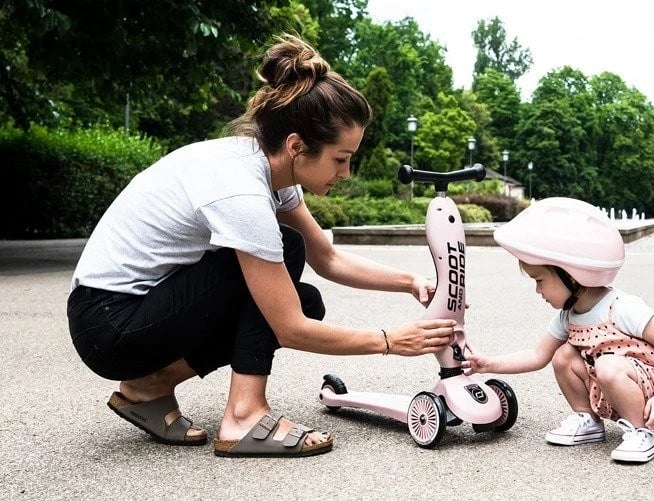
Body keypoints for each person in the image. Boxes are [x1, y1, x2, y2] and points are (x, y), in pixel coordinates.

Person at [66, 34, 455, 458]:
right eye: (340, 158)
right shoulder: (241, 192)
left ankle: (149, 387)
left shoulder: (268, 169)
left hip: (131, 313)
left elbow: (326, 257)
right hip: (109, 325)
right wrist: (389, 341)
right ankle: (244, 415)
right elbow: (288, 328)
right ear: (297, 146)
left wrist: (411, 282)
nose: (345, 172)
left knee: (303, 297)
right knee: (285, 254)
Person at [462, 197, 654, 463]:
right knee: (563, 355)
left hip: (642, 386)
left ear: (571, 274)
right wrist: (488, 364)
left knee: (608, 366)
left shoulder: (622, 307)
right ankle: (588, 420)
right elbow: (537, 356)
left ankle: (640, 432)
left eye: (540, 280)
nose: (537, 290)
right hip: (604, 381)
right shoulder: (568, 316)